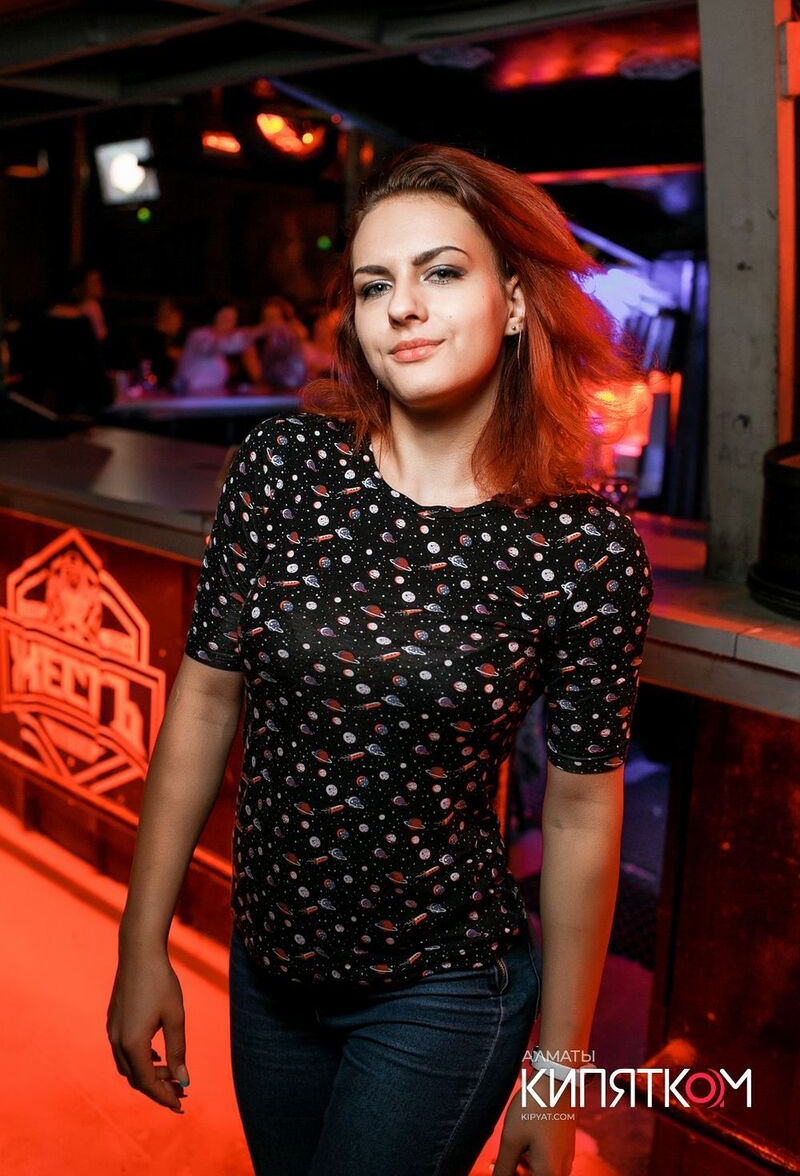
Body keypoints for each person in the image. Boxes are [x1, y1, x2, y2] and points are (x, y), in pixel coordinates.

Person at [107, 144, 654, 1176]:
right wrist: (144, 942)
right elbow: (204, 704)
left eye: (440, 271)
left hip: (442, 986)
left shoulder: (580, 547)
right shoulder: (281, 469)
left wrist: (561, 1068)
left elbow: (582, 813)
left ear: (512, 301)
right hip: (268, 969)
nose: (402, 305)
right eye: (373, 285)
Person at [15, 273, 114, 415]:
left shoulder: (37, 318)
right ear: (78, 287)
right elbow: (95, 368)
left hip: (41, 400)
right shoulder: (82, 319)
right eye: (93, 282)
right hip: (79, 398)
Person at [172, 301, 269, 395]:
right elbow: (220, 345)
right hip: (190, 398)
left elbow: (256, 373)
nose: (229, 324)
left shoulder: (225, 345)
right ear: (213, 317)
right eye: (224, 318)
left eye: (233, 320)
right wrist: (257, 332)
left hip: (209, 398)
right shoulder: (199, 336)